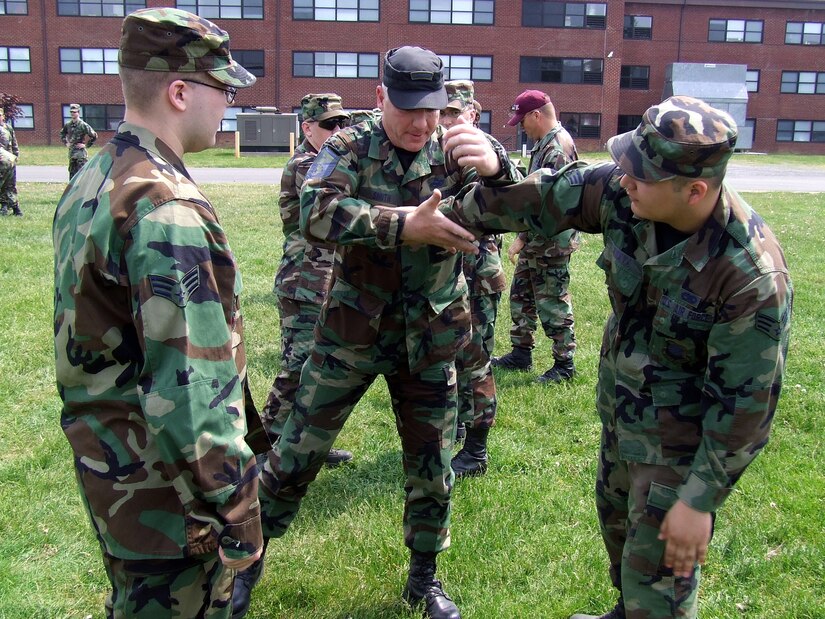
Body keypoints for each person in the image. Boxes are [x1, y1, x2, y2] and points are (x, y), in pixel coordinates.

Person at [441, 95, 793, 619]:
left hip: (679, 447)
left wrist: (699, 500)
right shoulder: (626, 189)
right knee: (620, 533)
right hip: (623, 413)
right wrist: (432, 219)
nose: (623, 180)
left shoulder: (748, 273)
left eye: (639, 175)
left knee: (660, 586)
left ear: (694, 190)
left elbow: (746, 404)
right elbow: (542, 198)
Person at [239, 46, 519, 619]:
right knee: (296, 451)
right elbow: (313, 214)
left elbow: (516, 210)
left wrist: (500, 169)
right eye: (408, 109)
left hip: (432, 334)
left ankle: (424, 578)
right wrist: (402, 225)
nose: (421, 124)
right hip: (352, 333)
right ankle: (245, 565)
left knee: (433, 464)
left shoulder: (458, 147)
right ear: (380, 98)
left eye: (433, 111)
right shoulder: (347, 147)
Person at [52, 8, 268, 617]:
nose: (228, 102)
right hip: (169, 496)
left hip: (113, 468)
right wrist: (235, 510)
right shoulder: (163, 203)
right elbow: (189, 386)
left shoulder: (95, 175)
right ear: (179, 92)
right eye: (222, 88)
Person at [260, 93, 354, 471]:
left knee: (321, 367)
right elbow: (345, 201)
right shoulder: (308, 164)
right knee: (298, 366)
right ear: (307, 127)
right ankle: (260, 444)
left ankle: (305, 442)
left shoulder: (329, 159)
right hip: (305, 280)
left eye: (342, 123)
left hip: (327, 279)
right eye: (330, 124)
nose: (338, 131)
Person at [439, 80, 516, 478]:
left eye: (456, 112)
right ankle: (456, 430)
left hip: (478, 276)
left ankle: (477, 449)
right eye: (444, 112)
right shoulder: (438, 148)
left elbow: (502, 193)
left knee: (476, 359)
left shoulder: (479, 150)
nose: (448, 119)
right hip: (448, 276)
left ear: (473, 112)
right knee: (451, 356)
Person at [492, 89, 580, 383]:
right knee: (522, 297)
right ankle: (521, 354)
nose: (521, 127)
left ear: (536, 115)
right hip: (537, 240)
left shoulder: (556, 148)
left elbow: (547, 202)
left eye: (522, 121)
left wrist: (522, 236)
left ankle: (564, 365)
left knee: (552, 302)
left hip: (550, 241)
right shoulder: (545, 144)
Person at [59, 103, 97, 180]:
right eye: (71, 112)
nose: (73, 113)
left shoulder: (83, 125)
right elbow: (62, 133)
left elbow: (94, 135)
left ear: (78, 113)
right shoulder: (68, 124)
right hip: (72, 154)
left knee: (82, 176)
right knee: (72, 177)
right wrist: (66, 143)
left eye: (75, 112)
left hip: (81, 155)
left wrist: (86, 145)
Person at [0, 107, 22, 216]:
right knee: (4, 185)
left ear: (3, 117)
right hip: (4, 159)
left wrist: (16, 155)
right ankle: (5, 206)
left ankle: (14, 207)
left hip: (8, 160)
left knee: (10, 185)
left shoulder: (8, 128)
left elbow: (14, 143)